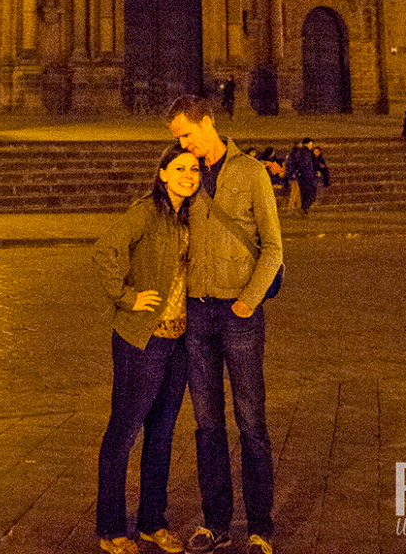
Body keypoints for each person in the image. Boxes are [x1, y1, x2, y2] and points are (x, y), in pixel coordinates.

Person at [168, 94, 282, 554]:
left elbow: (273, 248)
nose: (183, 144)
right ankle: (215, 523)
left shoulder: (252, 173)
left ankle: (260, 528)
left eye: (187, 134)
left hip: (238, 316)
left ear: (208, 123)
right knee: (207, 423)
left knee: (251, 422)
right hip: (197, 315)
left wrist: (247, 303)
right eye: (177, 140)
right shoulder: (186, 176)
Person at [92, 143, 201, 554]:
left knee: (162, 433)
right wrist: (125, 295)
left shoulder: (193, 215)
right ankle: (111, 528)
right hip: (142, 339)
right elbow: (106, 248)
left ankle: (152, 521)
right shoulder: (147, 211)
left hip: (179, 341)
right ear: (162, 174)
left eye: (193, 169)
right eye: (179, 168)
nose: (188, 175)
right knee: (123, 432)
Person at [283, 141, 317, 214]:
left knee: (296, 193)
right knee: (296, 193)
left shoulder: (294, 153)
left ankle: (295, 208)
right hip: (297, 176)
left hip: (295, 175)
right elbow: (297, 165)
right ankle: (293, 209)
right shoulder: (298, 153)